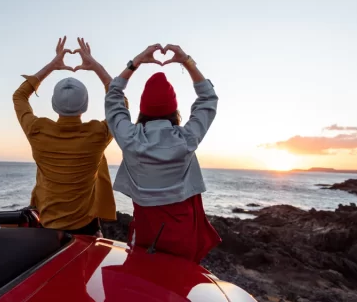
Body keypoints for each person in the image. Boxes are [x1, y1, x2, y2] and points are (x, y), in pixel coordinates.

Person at [105, 43, 221, 262]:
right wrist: (187, 62)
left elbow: (113, 96)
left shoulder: (130, 139)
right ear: (174, 111)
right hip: (182, 231)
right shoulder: (187, 139)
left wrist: (136, 62)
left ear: (143, 110)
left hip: (147, 231)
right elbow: (208, 99)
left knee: (143, 282)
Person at [13, 36, 118, 235]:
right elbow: (119, 102)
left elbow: (19, 96)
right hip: (86, 229)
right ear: (86, 105)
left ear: (53, 104)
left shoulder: (37, 130)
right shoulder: (98, 134)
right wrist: (95, 66)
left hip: (48, 228)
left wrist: (52, 65)